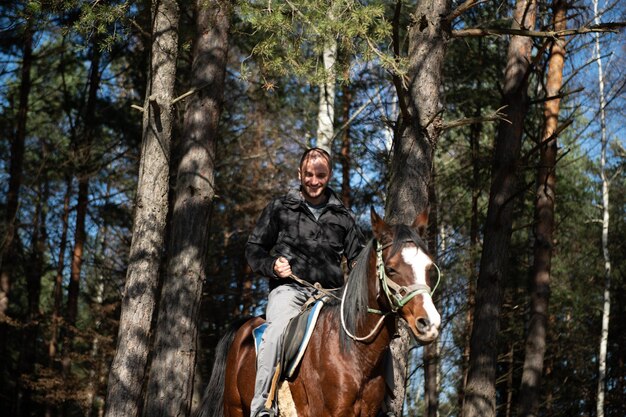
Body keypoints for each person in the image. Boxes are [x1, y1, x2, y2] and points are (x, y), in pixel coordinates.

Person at [245, 147, 365, 417]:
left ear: (329, 175)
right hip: (290, 291)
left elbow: (357, 258)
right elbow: (253, 249)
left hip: (333, 298)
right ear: (300, 173)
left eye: (320, 175)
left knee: (372, 331)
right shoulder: (280, 207)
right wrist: (273, 266)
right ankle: (262, 406)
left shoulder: (343, 216)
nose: (313, 181)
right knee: (275, 332)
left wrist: (359, 269)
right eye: (308, 174)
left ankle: (388, 407)